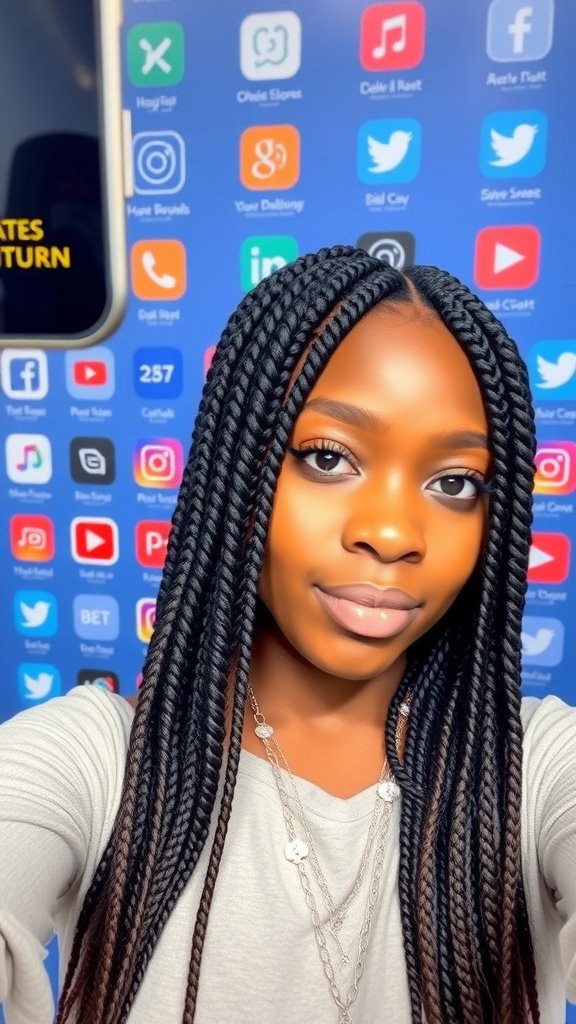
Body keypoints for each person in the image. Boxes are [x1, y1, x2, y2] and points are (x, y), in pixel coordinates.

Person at [0, 245, 575, 1024]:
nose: (393, 532)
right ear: (238, 471)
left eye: (454, 483)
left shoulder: (535, 768)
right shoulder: (96, 763)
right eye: (329, 458)